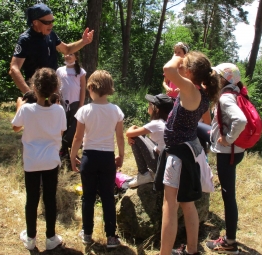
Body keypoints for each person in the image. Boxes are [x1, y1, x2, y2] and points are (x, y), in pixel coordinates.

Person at [159, 52, 220, 255]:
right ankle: (192, 250)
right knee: (187, 204)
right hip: (186, 151)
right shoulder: (200, 91)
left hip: (178, 155)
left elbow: (168, 70)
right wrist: (183, 60)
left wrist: (178, 55)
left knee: (169, 205)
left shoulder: (190, 89)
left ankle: (164, 253)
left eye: (183, 65)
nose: (179, 66)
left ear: (190, 71)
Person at [11, 68, 67, 251]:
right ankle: (51, 237)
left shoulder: (26, 109)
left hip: (32, 161)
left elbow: (16, 127)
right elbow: (61, 131)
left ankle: (31, 237)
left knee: (32, 199)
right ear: (55, 89)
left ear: (34, 87)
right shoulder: (59, 110)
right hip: (51, 161)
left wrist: (19, 104)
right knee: (50, 198)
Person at [70, 70, 124, 248]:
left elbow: (78, 137)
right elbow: (120, 137)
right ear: (110, 89)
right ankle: (111, 237)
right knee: (108, 196)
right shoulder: (116, 110)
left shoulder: (84, 110)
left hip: (89, 157)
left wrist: (72, 155)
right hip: (107, 157)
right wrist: (121, 155)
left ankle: (87, 233)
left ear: (91, 87)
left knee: (88, 197)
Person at [206, 63, 247, 254]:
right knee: (228, 194)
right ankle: (230, 239)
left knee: (228, 196)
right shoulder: (235, 93)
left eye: (216, 75)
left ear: (224, 79)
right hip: (234, 151)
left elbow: (241, 120)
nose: (214, 78)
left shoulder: (226, 98)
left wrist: (228, 139)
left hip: (228, 153)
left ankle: (229, 242)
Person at [9, 3, 94, 94]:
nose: (51, 25)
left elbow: (67, 50)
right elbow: (14, 69)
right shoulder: (25, 39)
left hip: (53, 91)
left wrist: (83, 41)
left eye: (52, 21)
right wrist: (29, 93)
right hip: (36, 92)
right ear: (35, 22)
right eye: (47, 22)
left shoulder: (51, 34)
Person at [125, 94, 174, 188]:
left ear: (157, 109)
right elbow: (136, 132)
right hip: (165, 165)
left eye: (151, 104)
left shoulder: (156, 124)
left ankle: (143, 173)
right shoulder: (165, 123)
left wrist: (132, 130)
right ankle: (146, 174)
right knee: (138, 135)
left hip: (160, 167)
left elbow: (129, 133)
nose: (148, 104)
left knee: (136, 137)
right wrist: (133, 133)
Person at [56, 51, 86, 158]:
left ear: (76, 57)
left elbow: (83, 88)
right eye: (66, 54)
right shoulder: (59, 70)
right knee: (63, 126)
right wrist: (56, 100)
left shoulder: (81, 71)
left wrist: (81, 104)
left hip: (76, 103)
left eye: (71, 54)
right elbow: (56, 87)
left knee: (74, 127)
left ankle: (73, 150)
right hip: (63, 102)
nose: (67, 56)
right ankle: (63, 150)